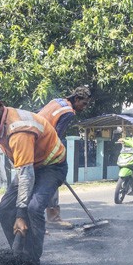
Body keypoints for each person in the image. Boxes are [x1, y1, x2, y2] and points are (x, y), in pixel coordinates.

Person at [0, 84, 67, 265]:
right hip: (31, 165)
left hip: (52, 166)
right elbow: (20, 166)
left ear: (0, 105)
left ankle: (32, 261)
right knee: (4, 209)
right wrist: (17, 208)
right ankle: (18, 256)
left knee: (32, 209)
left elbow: (26, 174)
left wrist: (21, 214)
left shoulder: (18, 129)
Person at [37, 86, 92, 229]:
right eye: (84, 103)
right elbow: (55, 136)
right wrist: (57, 160)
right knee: (52, 179)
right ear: (77, 99)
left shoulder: (57, 101)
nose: (84, 107)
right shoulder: (68, 112)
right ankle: (53, 218)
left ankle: (36, 222)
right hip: (43, 145)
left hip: (34, 140)